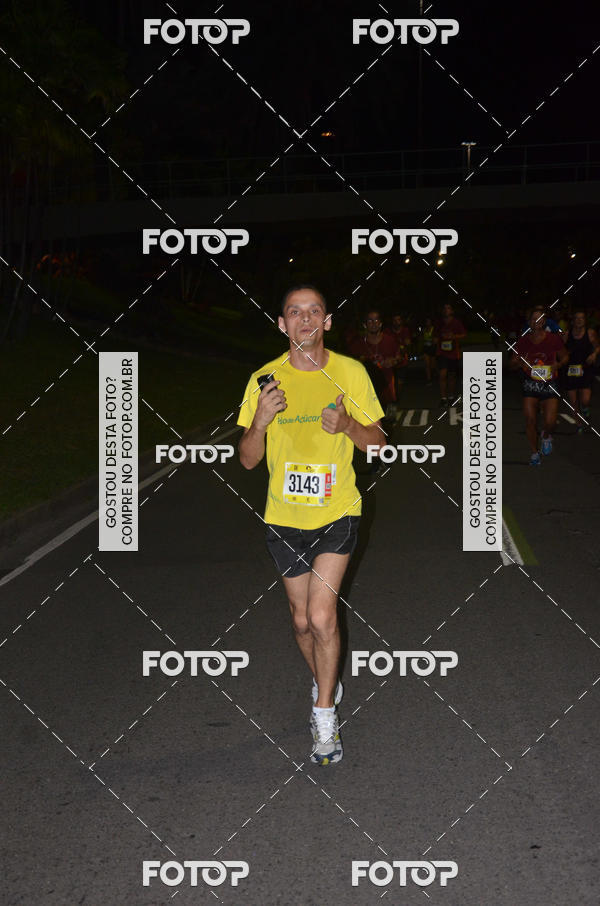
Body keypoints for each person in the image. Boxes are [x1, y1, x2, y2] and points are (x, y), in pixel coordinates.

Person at [237, 285, 384, 766]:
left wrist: (347, 427)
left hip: (337, 510)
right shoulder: (264, 380)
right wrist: (258, 422)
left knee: (322, 617)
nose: (304, 320)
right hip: (284, 518)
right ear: (281, 324)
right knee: (301, 621)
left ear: (327, 321)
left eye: (313, 311)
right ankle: (329, 680)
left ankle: (324, 718)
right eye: (294, 313)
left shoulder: (349, 372)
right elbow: (247, 462)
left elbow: (378, 444)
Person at [509, 306, 569, 464]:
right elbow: (512, 363)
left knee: (550, 421)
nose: (537, 321)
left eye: (540, 318)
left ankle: (546, 436)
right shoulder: (523, 341)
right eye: (533, 318)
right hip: (530, 385)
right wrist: (521, 364)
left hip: (549, 383)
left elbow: (565, 357)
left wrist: (558, 365)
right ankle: (534, 453)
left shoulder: (553, 338)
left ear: (544, 321)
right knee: (530, 420)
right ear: (529, 322)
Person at [348, 308, 398, 413]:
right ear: (365, 325)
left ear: (380, 324)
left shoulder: (390, 340)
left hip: (387, 390)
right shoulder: (358, 344)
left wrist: (394, 361)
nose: (373, 324)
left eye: (376, 320)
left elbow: (400, 357)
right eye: (370, 321)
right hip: (366, 392)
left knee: (388, 423)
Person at [562, 308, 600, 432]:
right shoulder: (567, 334)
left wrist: (594, 355)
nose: (579, 320)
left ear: (585, 321)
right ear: (572, 321)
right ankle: (579, 424)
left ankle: (585, 408)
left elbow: (597, 347)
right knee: (573, 401)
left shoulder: (590, 333)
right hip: (570, 370)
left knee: (585, 400)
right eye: (576, 318)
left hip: (586, 369)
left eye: (581, 318)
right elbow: (560, 350)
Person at [433, 303, 467, 406]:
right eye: (444, 308)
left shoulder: (456, 323)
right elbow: (435, 335)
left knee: (452, 375)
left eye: (448, 308)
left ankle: (451, 397)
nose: (446, 310)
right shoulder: (439, 323)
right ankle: (443, 398)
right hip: (442, 353)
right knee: (442, 375)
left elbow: (464, 334)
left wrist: (454, 336)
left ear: (452, 311)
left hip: (453, 353)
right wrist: (436, 339)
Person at [389, 313, 412, 399]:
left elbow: (408, 343)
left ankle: (396, 398)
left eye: (398, 320)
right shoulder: (388, 332)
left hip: (402, 361)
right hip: (390, 361)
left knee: (400, 382)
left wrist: (404, 348)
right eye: (394, 320)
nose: (396, 322)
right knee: (391, 382)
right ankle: (392, 398)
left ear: (401, 321)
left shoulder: (405, 330)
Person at [421, 316, 437, 384]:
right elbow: (422, 338)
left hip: (433, 348)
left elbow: (435, 339)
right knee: (427, 365)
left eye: (429, 321)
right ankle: (429, 379)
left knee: (433, 365)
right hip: (426, 348)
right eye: (426, 321)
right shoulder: (424, 330)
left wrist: (433, 341)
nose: (428, 323)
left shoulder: (434, 329)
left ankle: (433, 375)